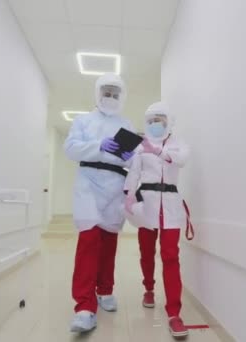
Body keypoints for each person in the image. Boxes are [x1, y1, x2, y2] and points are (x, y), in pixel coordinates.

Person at [64, 73, 136, 333]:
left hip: (115, 186)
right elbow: (71, 148)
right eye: (106, 92)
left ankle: (105, 291)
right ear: (97, 94)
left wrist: (130, 157)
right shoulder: (83, 120)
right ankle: (84, 306)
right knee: (89, 241)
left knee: (108, 243)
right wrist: (99, 146)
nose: (111, 97)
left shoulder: (125, 123)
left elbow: (132, 160)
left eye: (116, 93)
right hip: (88, 185)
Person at [123, 102, 191, 338]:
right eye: (151, 120)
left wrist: (158, 151)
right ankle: (149, 289)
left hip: (170, 203)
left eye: (159, 119)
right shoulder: (141, 148)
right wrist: (129, 195)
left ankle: (174, 313)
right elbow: (133, 173)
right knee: (146, 251)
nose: (154, 124)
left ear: (169, 121)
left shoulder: (178, 143)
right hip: (147, 204)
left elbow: (181, 160)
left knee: (171, 256)